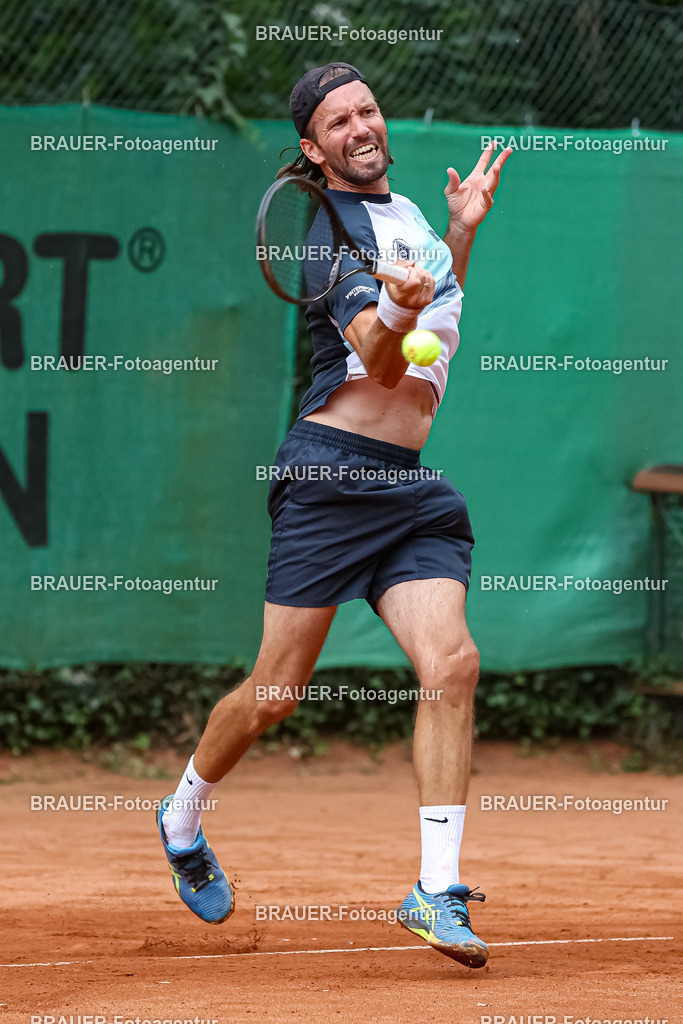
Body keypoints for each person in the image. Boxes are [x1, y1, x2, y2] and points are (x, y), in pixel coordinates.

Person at [157, 62, 511, 969]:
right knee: (275, 693)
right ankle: (184, 810)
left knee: (453, 663)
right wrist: (394, 307)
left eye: (365, 109)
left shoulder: (412, 220)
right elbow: (383, 363)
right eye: (336, 121)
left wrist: (461, 237)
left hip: (409, 488)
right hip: (329, 476)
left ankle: (435, 894)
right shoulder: (326, 233)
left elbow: (442, 312)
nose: (359, 126)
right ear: (313, 149)